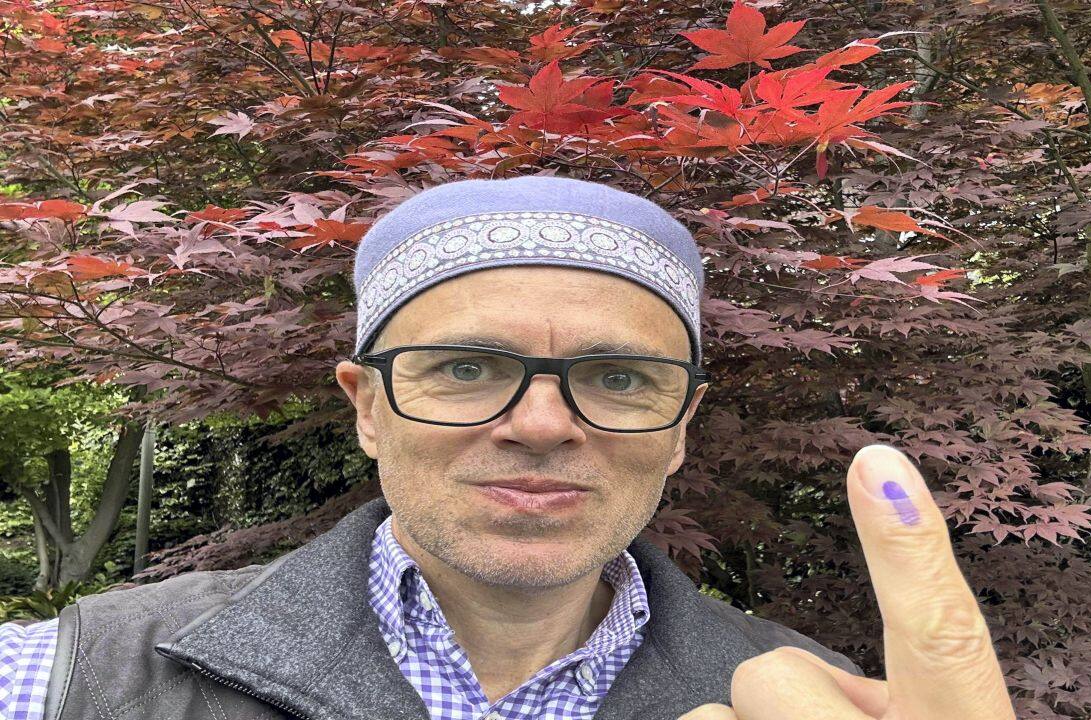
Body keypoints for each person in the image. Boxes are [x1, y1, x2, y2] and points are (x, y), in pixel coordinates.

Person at [0, 175, 1015, 720]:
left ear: (677, 432)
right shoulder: (66, 680)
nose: (538, 425)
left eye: (619, 379)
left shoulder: (824, 705)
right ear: (366, 409)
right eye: (466, 368)